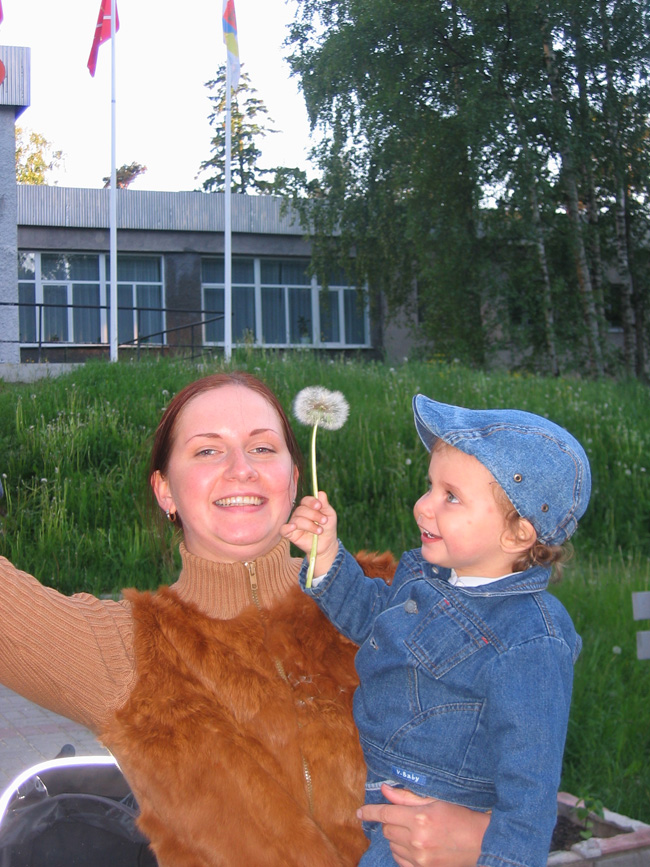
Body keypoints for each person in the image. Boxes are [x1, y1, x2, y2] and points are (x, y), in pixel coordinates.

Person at [0, 372, 489, 867]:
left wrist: (484, 837)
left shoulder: (400, 600)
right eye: (207, 450)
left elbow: (516, 737)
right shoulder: (126, 648)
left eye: (262, 448)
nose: (241, 470)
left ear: (293, 477)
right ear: (165, 490)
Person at [283, 396, 591, 867]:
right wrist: (325, 557)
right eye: (430, 487)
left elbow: (530, 794)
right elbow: (374, 621)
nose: (422, 506)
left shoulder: (531, 639)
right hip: (367, 792)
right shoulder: (430, 577)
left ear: (518, 534)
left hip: (421, 829)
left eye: (451, 497)